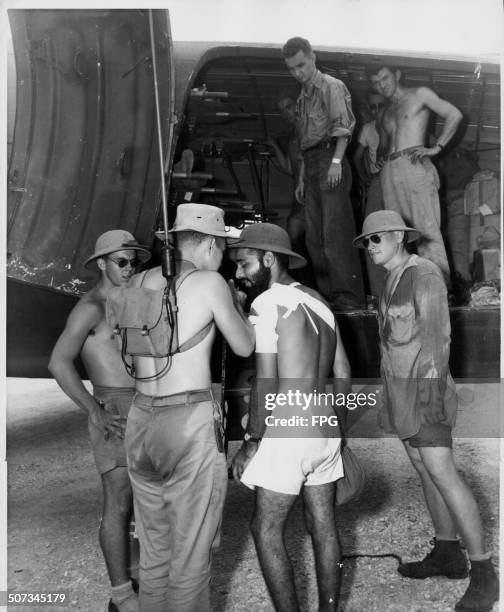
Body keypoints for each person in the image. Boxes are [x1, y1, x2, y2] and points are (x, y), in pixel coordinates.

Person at [353, 210, 499, 612]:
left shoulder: (424, 275)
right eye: (366, 242)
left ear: (400, 236)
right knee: (425, 472)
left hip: (425, 393)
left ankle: (485, 573)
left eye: (377, 239)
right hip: (401, 395)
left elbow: (438, 342)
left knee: (443, 473)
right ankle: (448, 553)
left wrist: (430, 400)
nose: (370, 247)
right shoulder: (390, 280)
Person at [124, 203, 255, 612]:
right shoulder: (210, 282)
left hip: (141, 420)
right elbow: (245, 346)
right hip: (186, 423)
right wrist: (233, 303)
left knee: (155, 552)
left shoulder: (137, 282)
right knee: (191, 558)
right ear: (212, 245)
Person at [229, 222, 351, 612]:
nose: (238, 273)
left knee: (265, 528)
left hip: (287, 431)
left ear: (269, 259)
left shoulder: (267, 304)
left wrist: (251, 442)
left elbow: (266, 380)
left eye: (245, 264)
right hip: (323, 425)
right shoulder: (320, 304)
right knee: (323, 525)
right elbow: (344, 373)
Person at [49, 229, 152, 612]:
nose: (130, 268)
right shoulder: (90, 307)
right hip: (113, 409)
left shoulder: (136, 301)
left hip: (146, 405)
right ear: (103, 264)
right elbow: (59, 362)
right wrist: (94, 409)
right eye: (122, 261)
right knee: (119, 500)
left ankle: (141, 578)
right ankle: (121, 595)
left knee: (147, 500)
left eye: (134, 262)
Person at [282, 36, 365, 310]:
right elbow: (306, 141)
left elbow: (342, 128)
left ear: (313, 57)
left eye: (301, 65)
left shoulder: (332, 86)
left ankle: (349, 297)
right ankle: (328, 297)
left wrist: (337, 162)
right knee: (314, 239)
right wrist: (302, 178)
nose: (298, 72)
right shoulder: (302, 98)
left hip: (332, 157)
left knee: (335, 234)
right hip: (312, 164)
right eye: (292, 69)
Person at [366, 65, 463, 283]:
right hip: (389, 173)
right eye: (376, 82)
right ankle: (407, 290)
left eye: (385, 78)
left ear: (397, 75)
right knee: (395, 235)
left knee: (426, 231)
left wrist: (436, 147)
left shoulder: (419, 94)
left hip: (414, 165)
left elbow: (454, 115)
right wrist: (380, 158)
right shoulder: (385, 113)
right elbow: (384, 144)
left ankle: (440, 291)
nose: (382, 85)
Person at [353, 89, 388, 299]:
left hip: (398, 179)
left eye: (381, 105)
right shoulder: (368, 128)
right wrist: (364, 176)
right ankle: (378, 293)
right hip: (378, 181)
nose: (377, 110)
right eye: (373, 107)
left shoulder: (397, 121)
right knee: (373, 234)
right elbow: (357, 157)